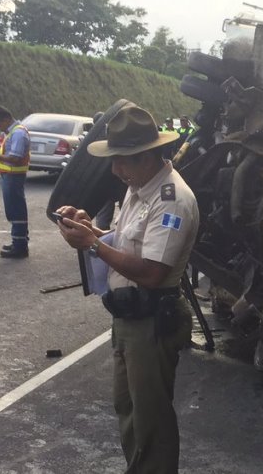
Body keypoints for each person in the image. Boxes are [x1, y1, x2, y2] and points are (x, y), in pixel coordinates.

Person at [55, 104, 198, 473]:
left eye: (124, 161)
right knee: (129, 407)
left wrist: (92, 244)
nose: (116, 170)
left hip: (152, 317)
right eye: (114, 160)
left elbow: (151, 271)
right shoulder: (140, 187)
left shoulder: (171, 200)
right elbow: (126, 243)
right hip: (130, 316)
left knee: (151, 419)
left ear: (150, 155)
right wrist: (92, 229)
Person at [0, 106, 31, 258]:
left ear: (5, 119)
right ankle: (18, 241)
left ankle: (20, 246)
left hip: (13, 176)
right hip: (10, 176)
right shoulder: (13, 132)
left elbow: (15, 158)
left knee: (16, 210)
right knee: (14, 210)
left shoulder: (17, 133)